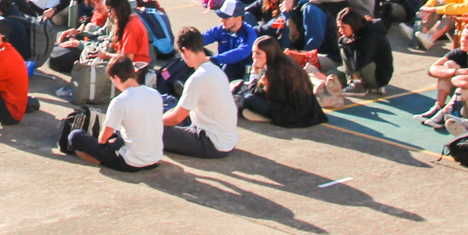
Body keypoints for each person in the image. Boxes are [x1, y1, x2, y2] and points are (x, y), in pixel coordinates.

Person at [56, 55, 162, 170]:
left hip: (129, 163)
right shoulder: (154, 94)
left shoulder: (120, 101)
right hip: (155, 159)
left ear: (116, 77)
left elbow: (103, 139)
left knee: (75, 136)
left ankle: (99, 159)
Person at [160, 28, 238, 158]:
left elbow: (176, 118)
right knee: (172, 115)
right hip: (228, 139)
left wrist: (154, 122)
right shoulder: (216, 70)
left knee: (154, 130)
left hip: (212, 143)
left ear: (185, 51)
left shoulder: (197, 79)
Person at [238, 36, 326, 127]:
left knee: (248, 98)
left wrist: (256, 71)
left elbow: (258, 92)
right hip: (305, 109)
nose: (254, 56)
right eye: (253, 52)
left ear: (269, 52)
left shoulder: (278, 69)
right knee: (243, 89)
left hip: (292, 113)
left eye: (258, 53)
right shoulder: (283, 60)